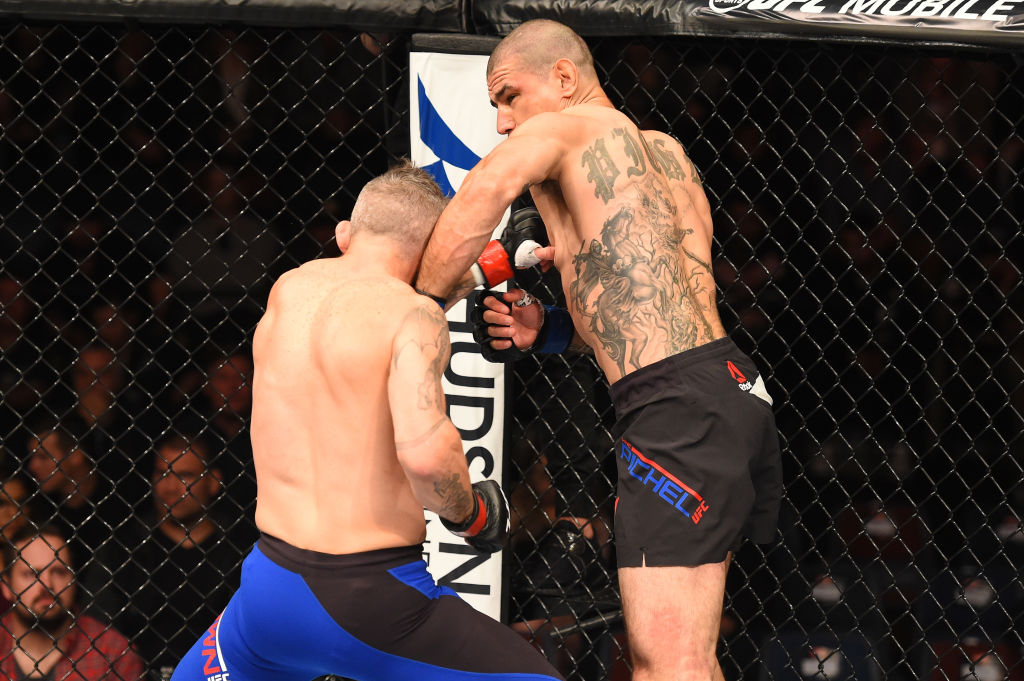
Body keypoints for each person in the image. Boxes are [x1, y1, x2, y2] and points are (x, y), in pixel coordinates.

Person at [413, 20, 782, 681]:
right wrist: (549, 328)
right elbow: (652, 301)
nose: (501, 122)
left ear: (562, 78)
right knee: (688, 655)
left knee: (663, 660)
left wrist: (411, 308)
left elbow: (478, 200)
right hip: (729, 388)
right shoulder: (666, 153)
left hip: (673, 408)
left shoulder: (558, 131)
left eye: (507, 96)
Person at [170, 160, 563, 681]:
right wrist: (471, 515)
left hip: (266, 596)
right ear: (431, 250)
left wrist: (487, 265)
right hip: (372, 603)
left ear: (342, 234)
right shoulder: (413, 317)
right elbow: (425, 456)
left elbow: (379, 303)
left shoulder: (290, 289)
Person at [82, 432, 257, 680]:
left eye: (184, 475)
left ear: (213, 481)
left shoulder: (241, 550)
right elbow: (98, 627)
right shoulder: (123, 550)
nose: (169, 487)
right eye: (161, 474)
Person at [0, 524, 146, 681]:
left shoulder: (114, 653)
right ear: (7, 586)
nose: (46, 584)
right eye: (32, 573)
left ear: (74, 581)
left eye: (59, 572)